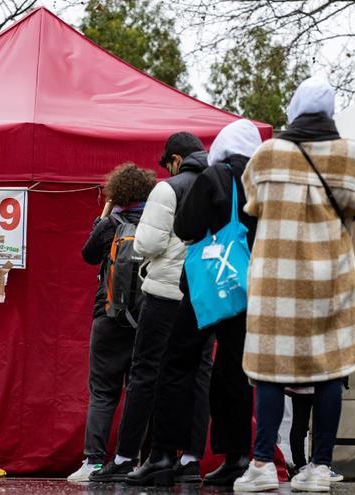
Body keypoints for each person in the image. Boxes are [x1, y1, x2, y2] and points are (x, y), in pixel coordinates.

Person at [233, 77, 355, 493]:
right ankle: (321, 468)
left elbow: (251, 202)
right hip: (331, 275)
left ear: (293, 107)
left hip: (277, 276)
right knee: (330, 369)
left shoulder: (267, 154)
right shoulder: (350, 154)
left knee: (270, 368)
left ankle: (260, 465)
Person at [127, 119, 262, 487]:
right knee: (233, 371)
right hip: (244, 288)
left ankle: (163, 455)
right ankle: (236, 456)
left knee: (177, 364)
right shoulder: (263, 181)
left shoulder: (214, 176)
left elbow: (186, 227)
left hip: (206, 285)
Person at [91, 133, 211, 482]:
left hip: (165, 292)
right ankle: (188, 460)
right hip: (204, 294)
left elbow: (147, 243)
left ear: (175, 159)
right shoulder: (219, 182)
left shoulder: (168, 188)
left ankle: (129, 456)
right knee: (195, 377)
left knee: (146, 374)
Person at [68, 163, 156, 482]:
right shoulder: (155, 223)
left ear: (117, 191)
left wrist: (100, 223)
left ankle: (93, 461)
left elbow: (88, 255)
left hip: (106, 317)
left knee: (103, 393)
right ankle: (131, 460)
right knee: (139, 390)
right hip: (145, 319)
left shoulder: (110, 222)